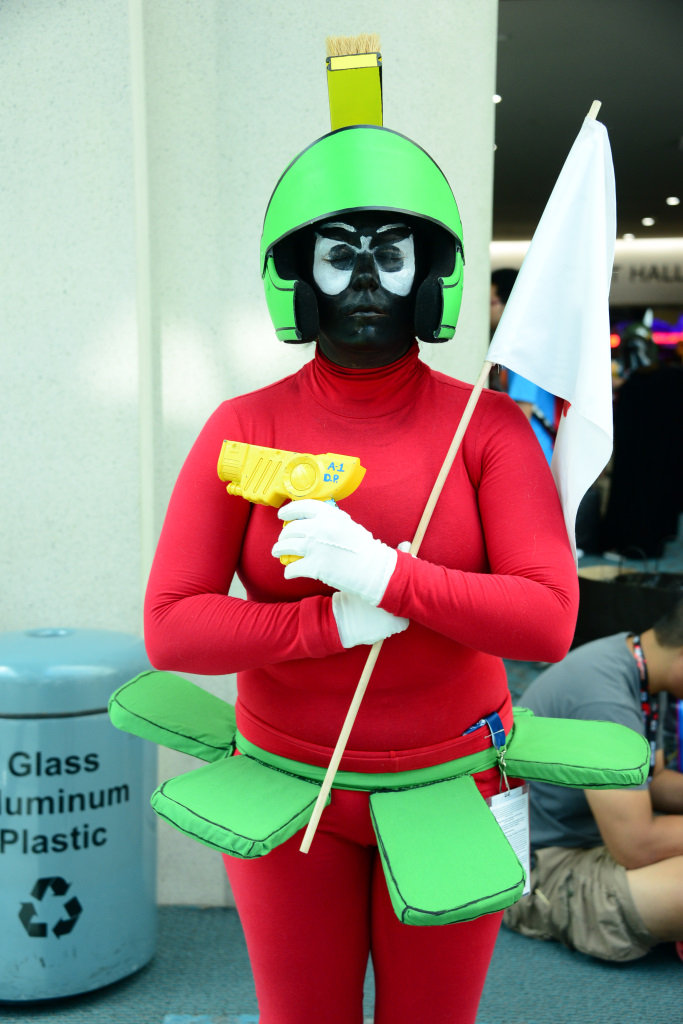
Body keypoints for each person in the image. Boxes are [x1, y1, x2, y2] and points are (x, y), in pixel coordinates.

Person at [503, 600, 683, 962]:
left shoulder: (644, 669)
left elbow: (653, 779)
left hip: (596, 840)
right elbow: (636, 844)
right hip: (545, 872)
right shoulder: (603, 695)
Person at [490, 268, 561, 464]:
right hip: (543, 452)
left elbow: (521, 413)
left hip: (532, 458)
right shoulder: (536, 340)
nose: (487, 310)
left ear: (509, 304)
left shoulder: (521, 346)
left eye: (491, 302)